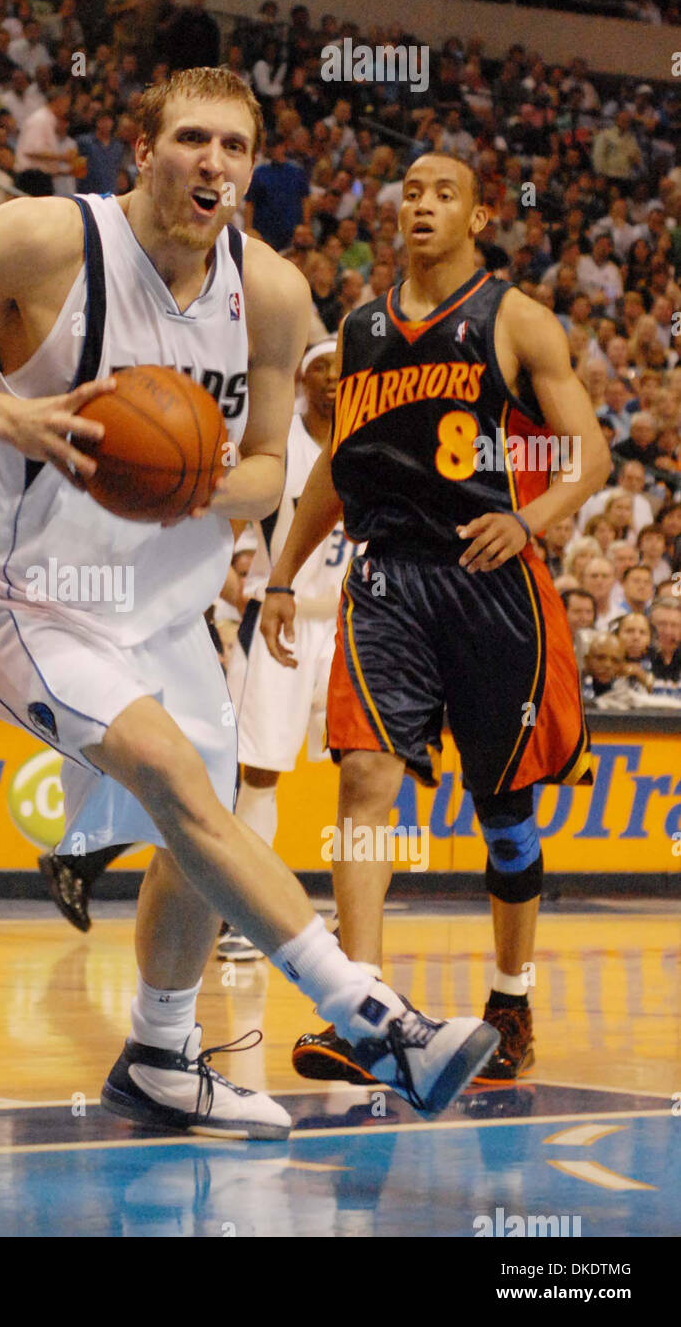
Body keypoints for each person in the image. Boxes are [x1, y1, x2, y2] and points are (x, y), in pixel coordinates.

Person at [0, 69, 499, 1140]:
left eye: (234, 147)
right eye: (190, 139)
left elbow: (272, 470)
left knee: (204, 827)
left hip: (162, 613)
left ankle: (159, 1053)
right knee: (178, 779)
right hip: (8, 597)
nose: (213, 165)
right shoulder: (43, 240)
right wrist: (17, 419)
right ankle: (372, 1015)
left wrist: (189, 479)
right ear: (141, 150)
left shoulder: (267, 291)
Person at [260, 152, 609, 1087]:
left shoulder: (517, 319)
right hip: (387, 582)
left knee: (505, 814)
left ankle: (510, 994)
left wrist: (528, 519)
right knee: (365, 774)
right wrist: (283, 574)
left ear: (480, 216)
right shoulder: (362, 330)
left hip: (492, 580)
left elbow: (592, 457)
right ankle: (362, 1007)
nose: (421, 205)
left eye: (443, 193)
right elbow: (339, 463)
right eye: (409, 190)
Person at [221, 338, 355, 963]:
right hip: (279, 618)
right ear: (299, 381)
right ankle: (241, 912)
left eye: (340, 367)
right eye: (318, 368)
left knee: (361, 769)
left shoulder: (366, 445)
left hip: (345, 625)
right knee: (259, 770)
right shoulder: (277, 449)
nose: (331, 377)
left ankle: (345, 914)